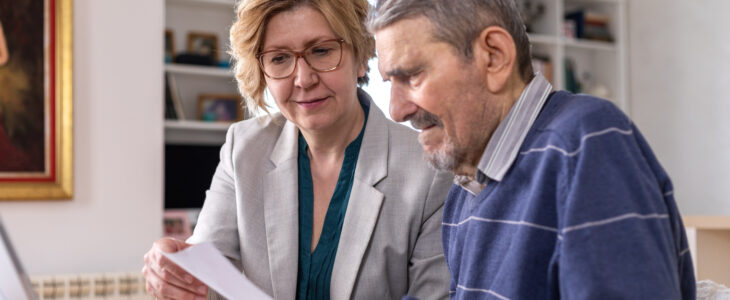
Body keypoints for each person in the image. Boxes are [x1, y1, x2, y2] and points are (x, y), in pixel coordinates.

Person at [369, 1, 695, 299]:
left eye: (411, 76)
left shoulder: (586, 143)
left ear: (493, 56)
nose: (397, 111)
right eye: (389, 84)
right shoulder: (465, 186)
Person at [143, 0, 453, 299]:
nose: (303, 79)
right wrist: (176, 274)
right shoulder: (244, 149)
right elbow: (209, 281)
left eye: (321, 51)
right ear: (261, 70)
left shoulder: (429, 169)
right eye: (279, 58)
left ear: (360, 57)